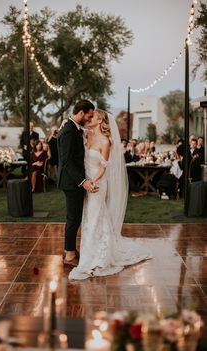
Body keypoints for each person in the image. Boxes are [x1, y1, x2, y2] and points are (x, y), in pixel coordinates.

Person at [69, 109, 152, 280]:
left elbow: (103, 167)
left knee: (95, 216)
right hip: (86, 183)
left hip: (98, 183)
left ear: (100, 120)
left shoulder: (106, 141)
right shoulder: (86, 135)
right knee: (90, 218)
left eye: (93, 117)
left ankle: (96, 258)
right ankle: (90, 253)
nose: (89, 118)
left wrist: (93, 181)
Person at [57, 99, 98, 267]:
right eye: (89, 115)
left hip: (74, 181)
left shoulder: (73, 127)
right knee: (73, 219)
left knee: (75, 217)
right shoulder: (68, 131)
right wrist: (83, 182)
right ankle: (69, 255)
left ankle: (70, 249)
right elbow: (66, 161)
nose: (90, 118)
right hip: (71, 182)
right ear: (81, 113)